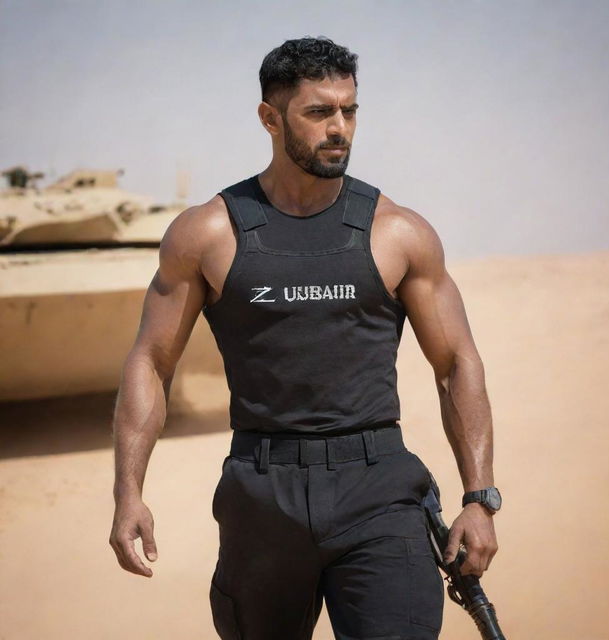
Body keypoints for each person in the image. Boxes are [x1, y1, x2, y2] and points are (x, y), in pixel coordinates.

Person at [109, 36, 500, 640]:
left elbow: (455, 363)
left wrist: (480, 496)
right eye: (319, 112)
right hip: (261, 494)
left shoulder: (398, 231)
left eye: (349, 110)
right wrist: (127, 493)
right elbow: (152, 362)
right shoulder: (207, 233)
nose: (339, 127)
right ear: (270, 118)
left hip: (378, 489)